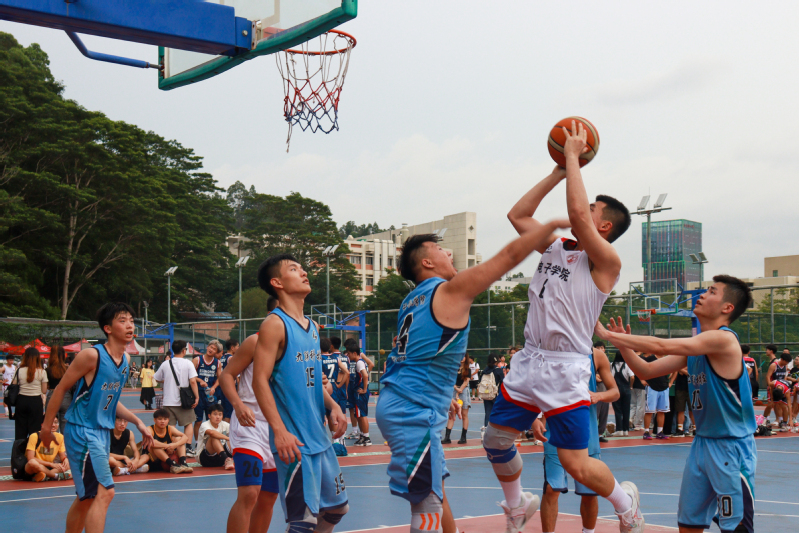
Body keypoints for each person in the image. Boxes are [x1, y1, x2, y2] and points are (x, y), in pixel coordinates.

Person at [484, 121, 640, 533]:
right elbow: (518, 215)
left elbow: (576, 215)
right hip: (529, 361)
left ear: (603, 227)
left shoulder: (606, 263)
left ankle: (627, 506)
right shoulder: (555, 247)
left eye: (593, 210)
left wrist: (573, 155)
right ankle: (517, 505)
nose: (584, 210)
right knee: (495, 440)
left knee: (577, 465)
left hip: (566, 369)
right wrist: (557, 170)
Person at [377, 217, 570, 533]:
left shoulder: (410, 301)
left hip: (406, 403)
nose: (449, 253)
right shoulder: (449, 290)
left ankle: (500, 512)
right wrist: (547, 227)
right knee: (426, 507)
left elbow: (417, 356)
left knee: (435, 491)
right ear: (427, 262)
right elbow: (508, 257)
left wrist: (445, 396)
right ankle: (515, 506)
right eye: (440, 249)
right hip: (411, 412)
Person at [596, 275, 756, 533]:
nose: (702, 295)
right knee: (688, 525)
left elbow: (660, 344)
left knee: (736, 528)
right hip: (701, 445)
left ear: (727, 307)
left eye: (712, 291)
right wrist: (622, 345)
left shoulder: (724, 340)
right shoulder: (695, 349)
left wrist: (606, 334)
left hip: (731, 447)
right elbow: (647, 370)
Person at [250, 255, 349, 532]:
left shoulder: (312, 327)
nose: (304, 273)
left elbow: (312, 380)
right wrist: (279, 431)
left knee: (337, 509)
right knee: (302, 522)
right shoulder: (275, 324)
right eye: (294, 269)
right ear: (277, 282)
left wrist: (334, 406)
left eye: (303, 268)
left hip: (320, 436)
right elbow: (259, 381)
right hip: (295, 441)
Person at [40, 302, 154, 533]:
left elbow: (111, 400)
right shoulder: (92, 355)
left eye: (131, 320)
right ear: (107, 328)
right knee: (106, 492)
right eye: (122, 320)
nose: (130, 325)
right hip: (82, 431)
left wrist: (139, 422)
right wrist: (45, 427)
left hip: (101, 433)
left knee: (87, 498)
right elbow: (60, 388)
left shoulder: (126, 361)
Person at [540, 346, 619, 533]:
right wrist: (537, 418)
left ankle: (588, 531)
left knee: (590, 492)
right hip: (555, 429)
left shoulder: (596, 355)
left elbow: (615, 392)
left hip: (586, 432)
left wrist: (599, 395)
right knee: (552, 489)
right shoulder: (551, 349)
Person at [220, 296, 280, 533]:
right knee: (249, 493)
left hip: (277, 428)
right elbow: (226, 375)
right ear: (270, 315)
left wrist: (329, 401)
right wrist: (237, 404)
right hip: (249, 424)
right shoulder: (255, 341)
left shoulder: (298, 344)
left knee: (268, 497)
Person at [153, 339, 199, 451]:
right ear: (184, 350)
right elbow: (193, 381)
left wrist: (168, 380)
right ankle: (188, 447)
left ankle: (171, 447)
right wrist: (197, 397)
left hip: (168, 400)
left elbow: (157, 378)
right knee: (188, 424)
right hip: (184, 401)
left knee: (170, 426)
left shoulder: (165, 363)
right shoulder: (188, 363)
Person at [12, 347, 48, 441]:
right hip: (36, 401)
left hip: (21, 400)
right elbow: (44, 390)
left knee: (20, 431)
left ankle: (19, 449)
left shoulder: (19, 370)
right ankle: (33, 449)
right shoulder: (42, 371)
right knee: (35, 431)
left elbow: (14, 385)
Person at [194, 340, 223, 445]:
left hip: (210, 395)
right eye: (211, 347)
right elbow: (190, 376)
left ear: (216, 352)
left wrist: (214, 387)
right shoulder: (197, 360)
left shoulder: (217, 363)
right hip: (198, 393)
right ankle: (197, 442)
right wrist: (200, 381)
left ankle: (210, 442)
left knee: (211, 419)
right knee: (198, 420)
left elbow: (220, 378)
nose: (211, 349)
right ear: (207, 347)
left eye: (214, 349)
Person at [147, 408, 193, 474]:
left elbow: (185, 437)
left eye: (165, 419)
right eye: (160, 419)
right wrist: (168, 446)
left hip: (167, 458)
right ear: (155, 420)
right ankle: (173, 465)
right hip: (155, 460)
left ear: (168, 420)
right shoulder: (149, 429)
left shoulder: (170, 428)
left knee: (178, 439)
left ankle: (183, 463)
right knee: (155, 446)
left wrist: (175, 445)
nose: (162, 421)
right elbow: (151, 443)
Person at [321, 337, 350, 443]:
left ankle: (328, 439)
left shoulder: (319, 359)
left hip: (324, 387)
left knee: (323, 415)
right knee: (335, 413)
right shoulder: (336, 358)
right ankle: (339, 439)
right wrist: (339, 385)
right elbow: (347, 372)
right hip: (334, 387)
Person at [640, 354, 673, 440]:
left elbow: (675, 370)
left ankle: (660, 432)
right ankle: (646, 432)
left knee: (661, 411)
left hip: (664, 387)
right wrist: (642, 380)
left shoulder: (667, 359)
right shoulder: (650, 358)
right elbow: (639, 368)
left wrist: (671, 382)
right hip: (652, 387)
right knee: (649, 411)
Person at [346, 341, 371, 446]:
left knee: (362, 415)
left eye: (349, 353)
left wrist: (364, 389)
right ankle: (363, 435)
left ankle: (366, 437)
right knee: (359, 415)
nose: (348, 355)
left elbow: (365, 375)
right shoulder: (360, 362)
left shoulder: (359, 363)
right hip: (360, 391)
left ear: (355, 353)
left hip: (360, 392)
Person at [442, 357, 471, 445]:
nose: (461, 358)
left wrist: (459, 391)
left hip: (464, 391)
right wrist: (456, 388)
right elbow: (450, 381)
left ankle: (463, 437)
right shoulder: (454, 368)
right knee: (452, 413)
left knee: (464, 414)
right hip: (454, 391)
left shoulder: (468, 369)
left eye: (464, 356)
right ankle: (447, 437)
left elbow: (466, 382)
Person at [197, 403, 234, 469]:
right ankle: (227, 460)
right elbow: (211, 433)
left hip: (220, 458)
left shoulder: (225, 424)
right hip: (206, 459)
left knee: (235, 438)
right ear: (209, 416)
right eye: (215, 414)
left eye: (220, 414)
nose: (218, 417)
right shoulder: (204, 425)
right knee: (214, 437)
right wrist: (227, 438)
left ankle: (241, 458)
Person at [46, 345, 71, 434]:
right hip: (66, 395)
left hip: (52, 395)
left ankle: (53, 442)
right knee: (65, 425)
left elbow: (46, 386)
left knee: (52, 425)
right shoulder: (67, 369)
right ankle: (64, 442)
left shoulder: (48, 370)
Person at [610, 352, 634, 436]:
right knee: (626, 410)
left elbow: (610, 377)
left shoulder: (612, 365)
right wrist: (630, 386)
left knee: (618, 410)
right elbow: (632, 377)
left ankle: (619, 429)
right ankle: (625, 430)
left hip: (616, 389)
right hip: (626, 389)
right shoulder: (627, 365)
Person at [480, 355, 505, 431]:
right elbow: (503, 382)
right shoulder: (498, 370)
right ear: (496, 361)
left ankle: (486, 431)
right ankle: (497, 431)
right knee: (498, 413)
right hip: (496, 394)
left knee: (488, 413)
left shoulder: (485, 370)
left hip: (486, 394)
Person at [765, 352, 791, 426]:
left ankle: (780, 420)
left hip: (781, 387)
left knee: (781, 404)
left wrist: (785, 384)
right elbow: (768, 376)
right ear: (782, 359)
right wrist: (770, 386)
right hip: (773, 386)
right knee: (771, 404)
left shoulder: (785, 366)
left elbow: (784, 377)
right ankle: (766, 418)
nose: (786, 363)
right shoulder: (774, 365)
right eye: (786, 361)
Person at [593, 340, 610, 442]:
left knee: (604, 414)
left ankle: (600, 434)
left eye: (602, 348)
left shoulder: (607, 362)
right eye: (598, 348)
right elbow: (597, 378)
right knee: (595, 414)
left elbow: (608, 378)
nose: (600, 349)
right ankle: (593, 434)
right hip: (595, 393)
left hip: (605, 393)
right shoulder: (591, 361)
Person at [218, 339, 239, 422]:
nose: (238, 348)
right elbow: (236, 374)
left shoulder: (222, 357)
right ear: (232, 347)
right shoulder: (231, 358)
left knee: (223, 410)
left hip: (222, 386)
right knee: (229, 412)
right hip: (230, 386)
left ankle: (223, 427)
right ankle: (227, 429)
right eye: (237, 346)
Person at [629, 357, 647, 431]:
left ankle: (630, 418)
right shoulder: (642, 359)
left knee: (633, 404)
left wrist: (630, 385)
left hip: (632, 385)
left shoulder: (631, 359)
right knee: (640, 405)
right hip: (640, 386)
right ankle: (638, 424)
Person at [760, 344, 778, 421]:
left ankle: (764, 418)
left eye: (767, 350)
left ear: (771, 351)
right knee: (771, 403)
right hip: (771, 385)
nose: (766, 351)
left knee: (773, 403)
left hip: (774, 385)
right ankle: (767, 418)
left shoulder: (775, 362)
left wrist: (772, 385)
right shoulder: (771, 361)